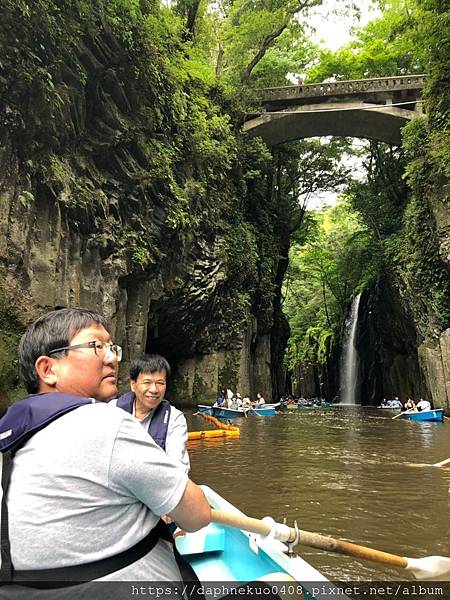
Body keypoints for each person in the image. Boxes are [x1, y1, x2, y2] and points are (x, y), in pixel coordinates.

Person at [0, 307, 210, 590]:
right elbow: (198, 515)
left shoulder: (8, 437)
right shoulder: (106, 420)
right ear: (48, 369)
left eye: (112, 347)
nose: (112, 358)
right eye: (96, 346)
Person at [112, 353, 189, 474]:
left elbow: (177, 467)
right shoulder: (112, 410)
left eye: (160, 383)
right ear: (133, 385)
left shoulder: (174, 419)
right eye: (147, 382)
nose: (154, 389)